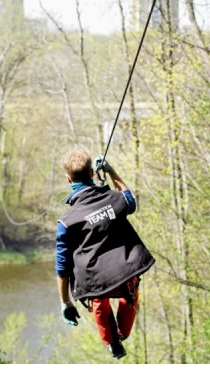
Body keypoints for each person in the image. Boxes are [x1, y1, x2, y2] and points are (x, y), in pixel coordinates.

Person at [55, 147, 155, 360]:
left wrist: (66, 302)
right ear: (92, 173)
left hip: (95, 281)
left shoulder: (67, 221)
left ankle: (111, 342)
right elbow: (130, 200)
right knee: (129, 294)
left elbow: (62, 268)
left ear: (68, 179)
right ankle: (120, 336)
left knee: (99, 300)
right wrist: (111, 171)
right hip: (126, 270)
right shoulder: (114, 199)